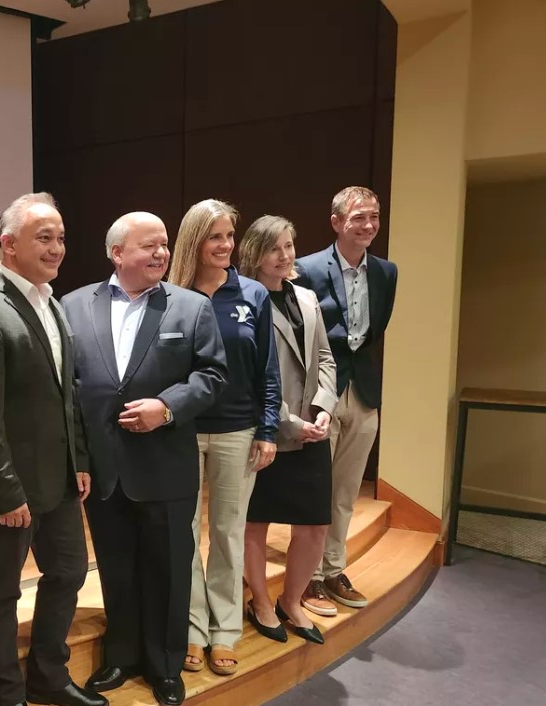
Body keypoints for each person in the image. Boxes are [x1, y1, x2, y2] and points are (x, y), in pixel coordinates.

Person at [62, 212, 227, 705]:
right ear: (117, 253)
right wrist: (78, 457)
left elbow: (213, 377)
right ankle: (121, 657)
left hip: (165, 465)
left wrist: (168, 407)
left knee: (169, 569)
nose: (160, 253)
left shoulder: (191, 308)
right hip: (104, 469)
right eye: (149, 245)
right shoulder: (72, 305)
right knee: (116, 567)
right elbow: (70, 389)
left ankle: (165, 666)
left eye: (164, 244)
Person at [0, 193, 106, 706]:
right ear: (8, 243)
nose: (57, 247)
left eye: (60, 237)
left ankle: (48, 676)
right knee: (1, 591)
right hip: (10, 489)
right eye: (44, 237)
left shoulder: (50, 304)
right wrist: (4, 491)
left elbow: (68, 396)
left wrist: (79, 461)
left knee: (69, 572)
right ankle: (4, 693)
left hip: (59, 481)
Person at [166, 198, 281, 676]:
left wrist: (269, 427)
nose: (226, 245)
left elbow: (268, 370)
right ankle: (193, 628)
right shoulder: (170, 295)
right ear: (194, 239)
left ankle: (224, 630)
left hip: (239, 430)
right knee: (186, 535)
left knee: (229, 534)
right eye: (215, 236)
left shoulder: (253, 294)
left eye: (229, 236)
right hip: (184, 433)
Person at [295, 187, 398, 616]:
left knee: (347, 488)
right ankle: (308, 577)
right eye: (359, 217)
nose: (369, 225)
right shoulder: (305, 269)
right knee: (315, 486)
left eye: (374, 217)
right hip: (322, 389)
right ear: (337, 222)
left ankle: (334, 568)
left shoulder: (387, 272)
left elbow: (375, 332)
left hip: (365, 391)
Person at [238, 215, 338, 645]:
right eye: (274, 248)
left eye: (289, 246)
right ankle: (260, 601)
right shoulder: (245, 299)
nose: (285, 256)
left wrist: (324, 409)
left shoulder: (308, 298)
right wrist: (289, 424)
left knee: (315, 525)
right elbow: (248, 373)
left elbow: (326, 358)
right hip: (267, 432)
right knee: (255, 523)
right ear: (255, 254)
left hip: (313, 430)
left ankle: (291, 600)